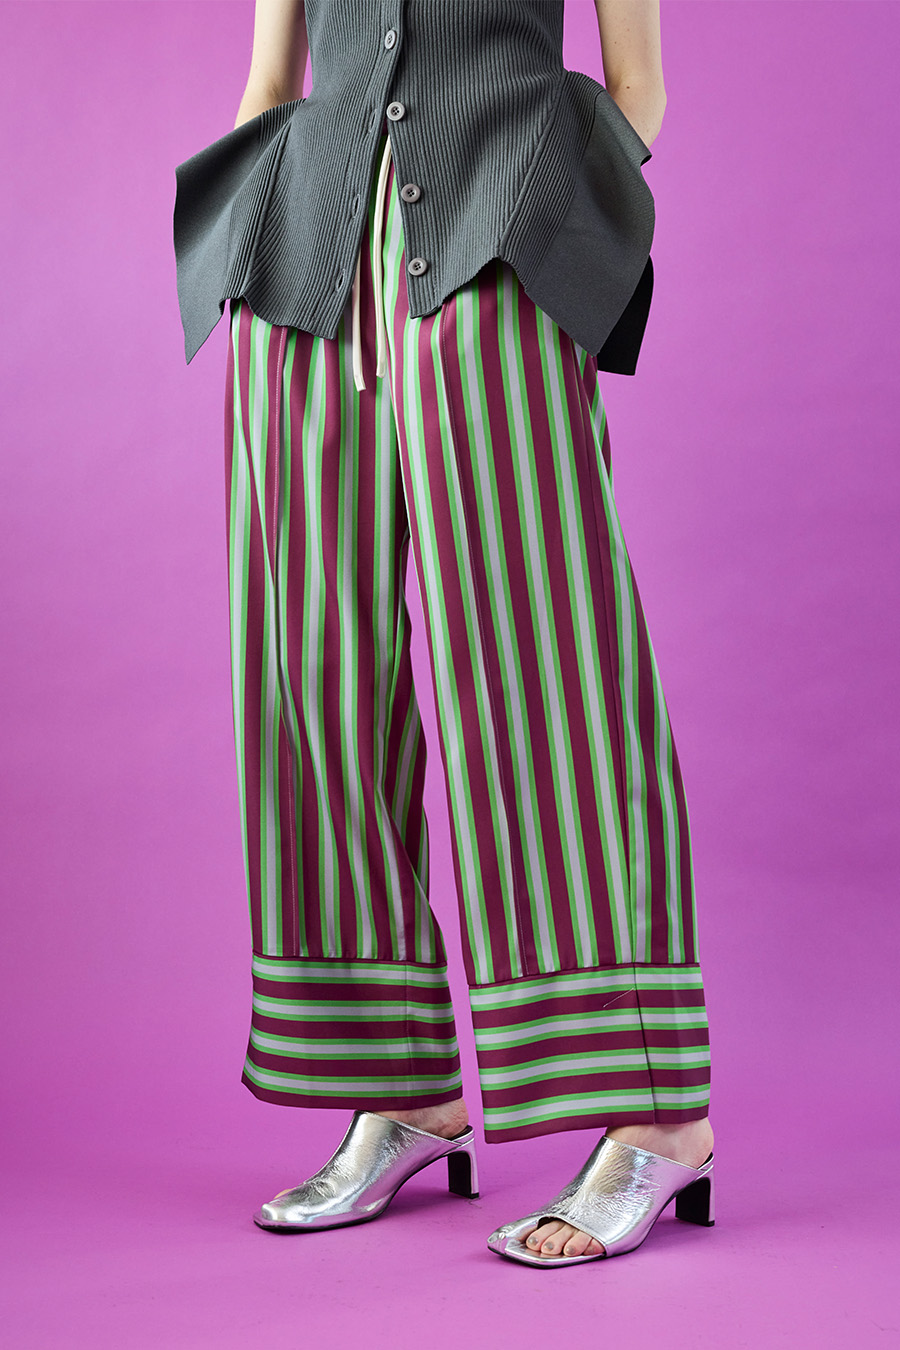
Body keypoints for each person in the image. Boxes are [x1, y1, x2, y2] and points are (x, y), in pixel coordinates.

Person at [173, 0, 714, 1267]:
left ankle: (657, 1112)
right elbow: (272, 85)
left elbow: (637, 88)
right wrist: (253, 250)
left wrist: (536, 231)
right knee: (310, 671)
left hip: (493, 261)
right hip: (302, 278)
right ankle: (400, 1087)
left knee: (546, 665)